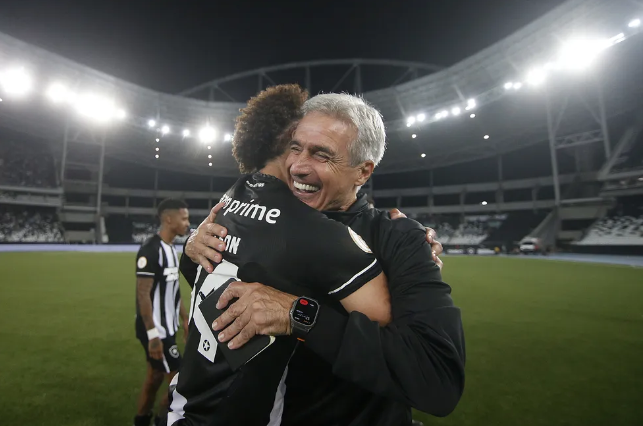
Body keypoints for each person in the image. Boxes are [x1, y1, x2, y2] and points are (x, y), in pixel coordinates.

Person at [183, 93, 465, 426]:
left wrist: (298, 314)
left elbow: (437, 378)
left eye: (322, 155)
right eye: (295, 147)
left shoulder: (398, 238)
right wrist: (192, 245)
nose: (298, 166)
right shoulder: (272, 215)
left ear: (363, 172)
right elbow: (213, 281)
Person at [167, 84, 391, 426]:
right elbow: (381, 318)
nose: (304, 163)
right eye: (301, 145)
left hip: (181, 405)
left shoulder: (229, 199)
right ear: (289, 139)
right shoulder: (317, 232)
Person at [134, 199, 191, 426]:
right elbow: (143, 295)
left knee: (154, 378)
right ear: (169, 219)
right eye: (184, 218)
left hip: (167, 327)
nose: (187, 223)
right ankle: (161, 421)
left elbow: (173, 290)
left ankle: (141, 420)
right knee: (180, 383)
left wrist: (185, 319)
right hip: (156, 330)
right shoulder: (151, 249)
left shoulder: (171, 248)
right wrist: (153, 336)